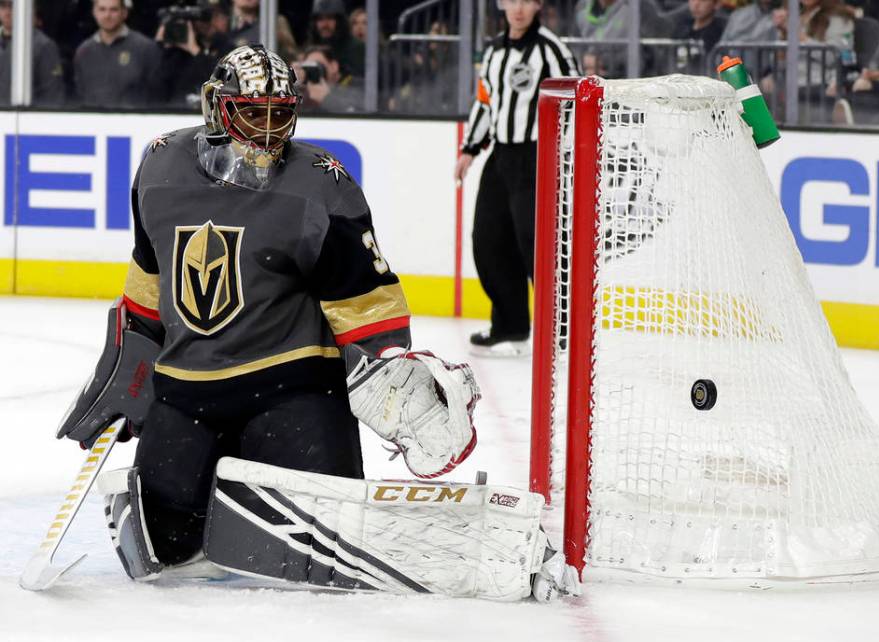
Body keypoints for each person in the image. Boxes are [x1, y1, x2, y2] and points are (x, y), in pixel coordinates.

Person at [55, 45, 524, 597]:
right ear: (217, 107)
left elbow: (365, 299)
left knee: (326, 546)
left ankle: (256, 463)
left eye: (282, 112)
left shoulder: (321, 183)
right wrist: (128, 366)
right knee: (167, 549)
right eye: (254, 111)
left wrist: (393, 368)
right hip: (187, 392)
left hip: (290, 388)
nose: (271, 128)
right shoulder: (158, 165)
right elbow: (149, 276)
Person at [456, 0, 578, 357]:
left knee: (538, 243)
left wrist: (564, 153)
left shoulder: (551, 49)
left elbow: (573, 101)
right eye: (512, 1)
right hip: (501, 158)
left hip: (537, 156)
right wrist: (470, 148)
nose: (519, 9)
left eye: (527, 0)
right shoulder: (494, 52)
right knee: (488, 240)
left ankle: (562, 329)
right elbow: (485, 101)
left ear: (539, 4)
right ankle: (510, 325)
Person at [73, 0, 162, 107]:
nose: (107, 15)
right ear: (94, 13)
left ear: (124, 13)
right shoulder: (84, 51)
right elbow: (80, 94)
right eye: (102, 9)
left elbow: (157, 95)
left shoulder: (146, 48)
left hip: (135, 120)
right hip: (94, 120)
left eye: (113, 10)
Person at [154, 2, 233, 108]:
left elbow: (224, 81)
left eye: (215, 16)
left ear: (226, 19)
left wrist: (195, 51)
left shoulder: (231, 50)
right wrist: (162, 47)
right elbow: (157, 89)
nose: (208, 23)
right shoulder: (179, 53)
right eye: (201, 17)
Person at [0, 0, 65, 106]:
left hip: (30, 117)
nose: (7, 11)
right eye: (2, 6)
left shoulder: (44, 46)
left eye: (12, 6)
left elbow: (53, 97)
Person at [293, 45, 364, 113]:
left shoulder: (358, 85)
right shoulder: (307, 92)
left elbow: (356, 112)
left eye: (318, 64)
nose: (314, 70)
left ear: (334, 66)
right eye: (308, 67)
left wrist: (326, 99)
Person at [308, 0, 364, 78]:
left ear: (340, 21)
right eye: (320, 19)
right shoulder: (312, 49)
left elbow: (360, 83)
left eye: (330, 18)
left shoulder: (357, 48)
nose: (324, 25)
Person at [670, 0, 727, 73]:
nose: (696, 4)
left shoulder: (721, 31)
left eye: (703, 1)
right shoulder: (681, 27)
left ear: (717, 4)